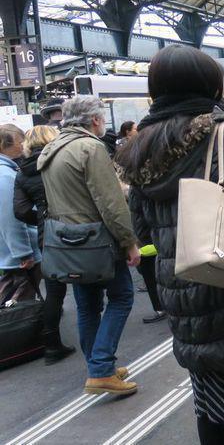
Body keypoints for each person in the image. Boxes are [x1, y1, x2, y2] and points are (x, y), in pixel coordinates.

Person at [116, 46, 224, 445]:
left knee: (209, 403)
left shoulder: (139, 144)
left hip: (184, 294)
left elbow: (140, 228)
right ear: (211, 85)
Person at [38, 96, 140, 395]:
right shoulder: (91, 148)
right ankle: (100, 369)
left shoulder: (51, 148)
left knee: (87, 307)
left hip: (67, 242)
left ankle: (100, 366)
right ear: (95, 120)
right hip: (97, 240)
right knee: (121, 298)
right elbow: (110, 204)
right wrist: (129, 241)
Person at [12, 124, 76, 363]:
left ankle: (51, 344)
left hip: (46, 235)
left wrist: (40, 217)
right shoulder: (60, 161)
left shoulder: (22, 172)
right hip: (75, 225)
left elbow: (20, 210)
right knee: (88, 280)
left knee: (55, 289)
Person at [0, 124, 41, 303]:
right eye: (20, 141)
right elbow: (10, 217)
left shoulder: (7, 171)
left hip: (11, 251)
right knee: (21, 306)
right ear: (5, 145)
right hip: (17, 254)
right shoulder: (4, 175)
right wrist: (23, 252)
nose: (24, 145)